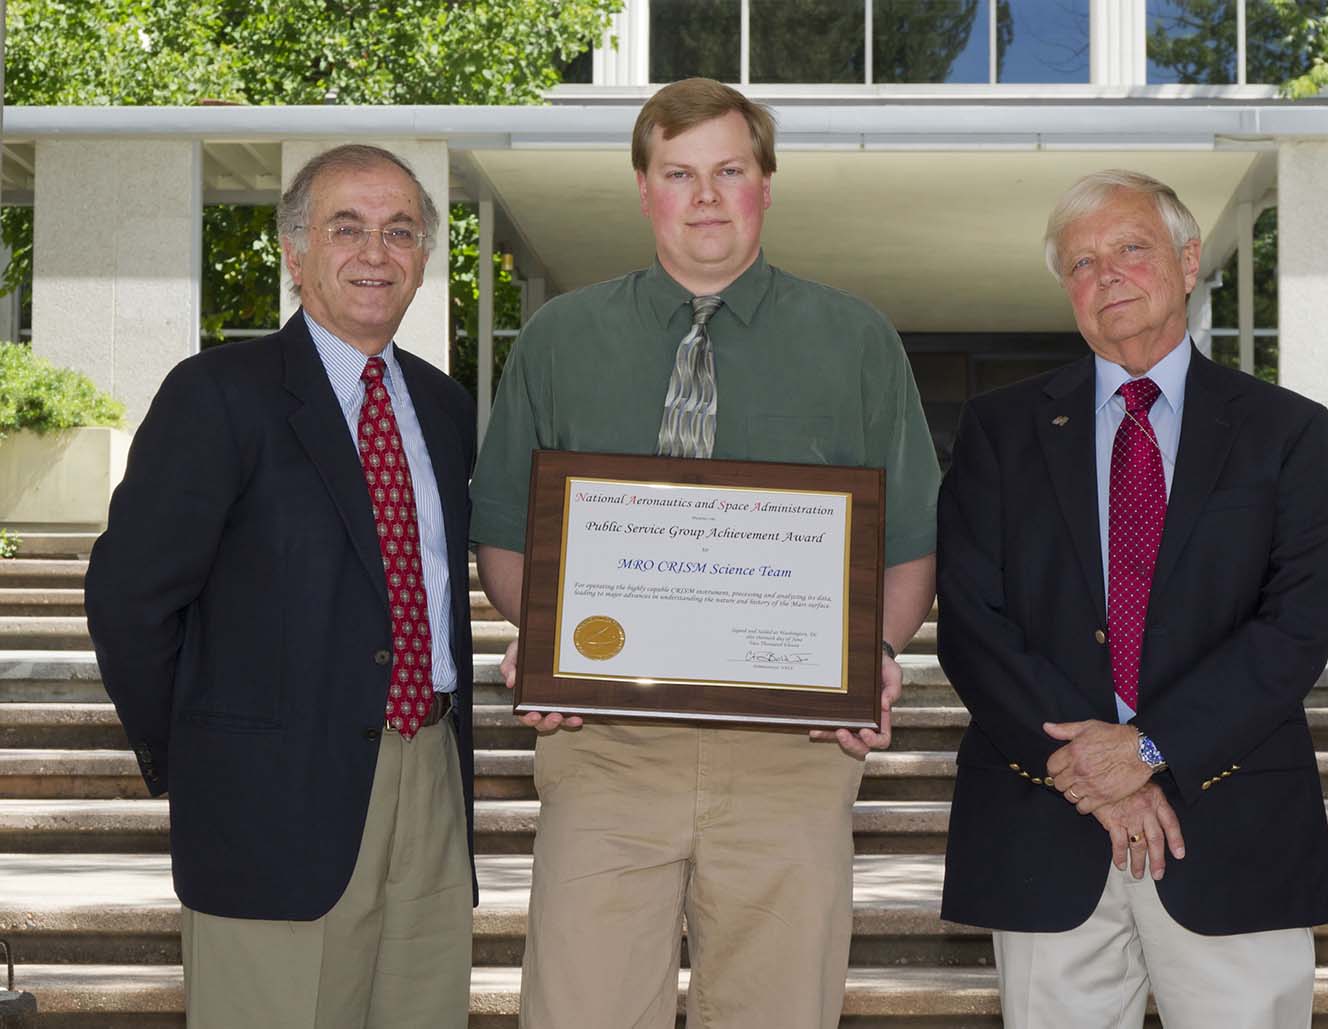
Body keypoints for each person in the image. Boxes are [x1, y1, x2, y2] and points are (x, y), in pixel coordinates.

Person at [470, 77, 940, 1028]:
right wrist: (543, 633)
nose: (707, 195)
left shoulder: (856, 340)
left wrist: (877, 658)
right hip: (602, 746)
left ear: (767, 182)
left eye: (731, 169)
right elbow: (506, 537)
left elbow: (909, 545)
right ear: (644, 188)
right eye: (680, 173)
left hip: (794, 752)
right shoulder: (560, 338)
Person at [936, 168, 1328, 1027]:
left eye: (1130, 248)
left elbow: (1294, 629)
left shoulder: (1286, 430)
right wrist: (1095, 774)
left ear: (1189, 261)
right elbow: (973, 625)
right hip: (1048, 828)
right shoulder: (998, 431)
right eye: (1081, 264)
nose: (1106, 275)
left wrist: (1150, 746)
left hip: (1232, 828)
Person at [85, 143, 477, 1028]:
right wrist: (204, 753)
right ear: (295, 255)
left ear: (422, 260)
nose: (376, 252)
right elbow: (129, 598)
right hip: (271, 802)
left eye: (400, 231)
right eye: (348, 228)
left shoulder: (446, 409)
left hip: (432, 788)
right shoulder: (218, 395)